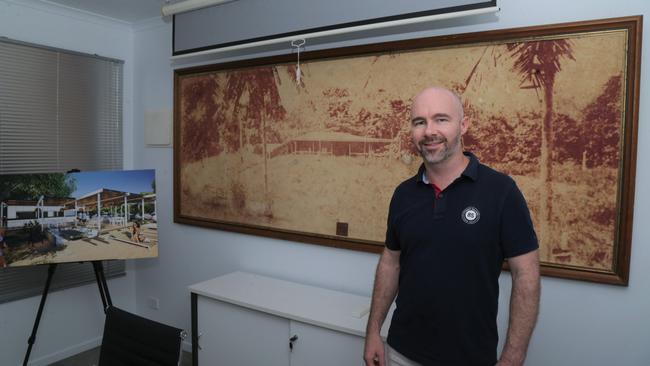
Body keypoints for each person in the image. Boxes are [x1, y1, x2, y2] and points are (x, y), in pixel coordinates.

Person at [364, 87, 540, 366]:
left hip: (470, 358)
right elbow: (390, 263)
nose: (429, 131)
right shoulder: (403, 194)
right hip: (400, 352)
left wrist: (513, 357)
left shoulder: (501, 191)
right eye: (419, 122)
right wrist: (373, 330)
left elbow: (526, 275)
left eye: (441, 119)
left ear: (463, 125)